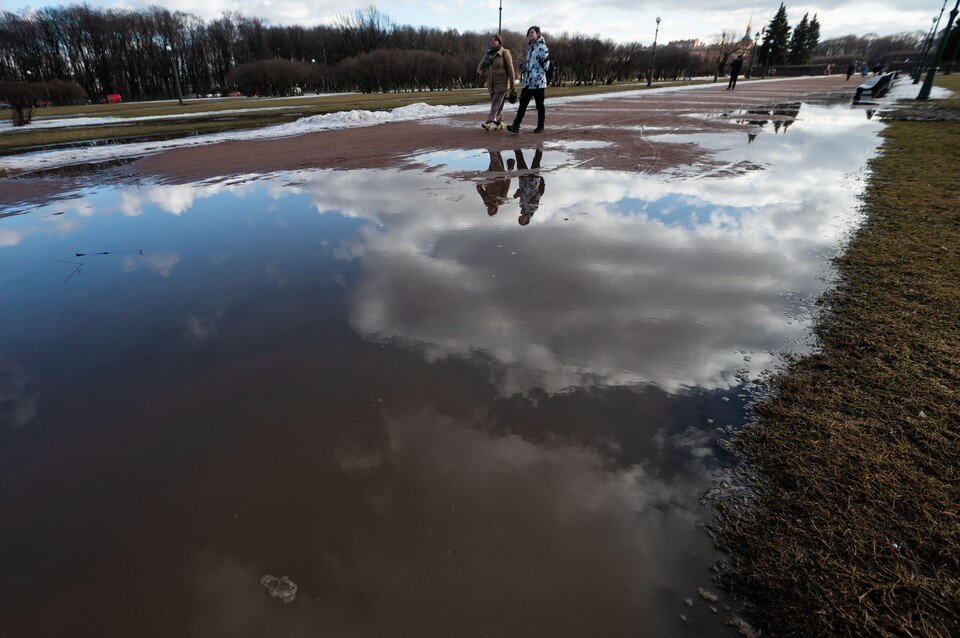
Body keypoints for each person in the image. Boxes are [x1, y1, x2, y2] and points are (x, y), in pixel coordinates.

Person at [506, 26, 550, 134]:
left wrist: (536, 74)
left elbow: (546, 66)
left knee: (539, 105)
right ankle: (516, 125)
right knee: (523, 104)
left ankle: (540, 125)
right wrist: (525, 68)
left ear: (538, 34)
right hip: (528, 82)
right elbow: (532, 64)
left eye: (532, 32)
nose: (529, 34)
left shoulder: (542, 48)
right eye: (529, 33)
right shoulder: (530, 48)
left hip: (538, 83)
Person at [477, 34, 515, 131]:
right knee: (499, 104)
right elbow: (480, 67)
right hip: (491, 84)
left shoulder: (505, 53)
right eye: (492, 40)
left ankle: (488, 122)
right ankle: (500, 122)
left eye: (495, 40)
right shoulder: (488, 53)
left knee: (495, 103)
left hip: (502, 83)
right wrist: (484, 73)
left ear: (499, 42)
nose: (493, 41)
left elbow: (511, 70)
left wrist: (512, 84)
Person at [513, 149, 545, 225]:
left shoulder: (521, 206)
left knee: (520, 160)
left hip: (523, 180)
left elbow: (521, 192)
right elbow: (538, 195)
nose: (521, 219)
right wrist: (533, 200)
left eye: (520, 220)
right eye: (522, 221)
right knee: (536, 161)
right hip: (533, 180)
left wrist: (517, 194)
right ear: (527, 219)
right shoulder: (533, 209)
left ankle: (516, 146)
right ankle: (539, 146)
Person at [475, 150, 511, 215]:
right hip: (499, 178)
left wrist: (479, 187)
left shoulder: (486, 201)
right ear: (495, 210)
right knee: (495, 161)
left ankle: (494, 148)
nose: (489, 209)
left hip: (489, 178)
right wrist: (509, 177)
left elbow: (481, 192)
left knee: (496, 160)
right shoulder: (500, 201)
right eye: (491, 211)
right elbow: (506, 188)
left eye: (488, 211)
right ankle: (491, 148)